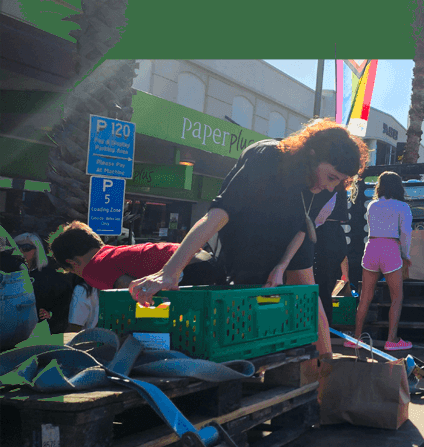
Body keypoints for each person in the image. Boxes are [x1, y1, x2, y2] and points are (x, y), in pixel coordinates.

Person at [128, 119, 369, 360]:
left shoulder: (326, 186)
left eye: (337, 181)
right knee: (245, 302)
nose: (329, 186)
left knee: (310, 298)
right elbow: (219, 213)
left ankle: (326, 373)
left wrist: (282, 266)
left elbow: (304, 228)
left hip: (292, 240)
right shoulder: (267, 157)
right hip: (247, 232)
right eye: (330, 177)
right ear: (312, 153)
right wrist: (170, 271)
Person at [49, 221, 224, 291]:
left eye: (72, 271)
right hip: (202, 258)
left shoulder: (93, 270)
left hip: (190, 270)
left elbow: (131, 291)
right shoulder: (112, 254)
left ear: (73, 262)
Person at [352, 171, 413, 351]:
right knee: (396, 297)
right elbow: (405, 233)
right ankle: (392, 340)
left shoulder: (372, 205)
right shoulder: (403, 207)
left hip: (371, 246)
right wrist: (406, 255)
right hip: (391, 248)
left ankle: (357, 339)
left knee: (365, 297)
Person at [13, 232, 72, 334]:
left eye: (26, 247)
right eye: (17, 247)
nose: (20, 250)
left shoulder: (50, 276)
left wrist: (50, 314)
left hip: (37, 330)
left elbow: (64, 304)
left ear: (37, 250)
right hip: (10, 327)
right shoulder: (7, 273)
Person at [313, 187, 351, 327]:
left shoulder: (321, 187)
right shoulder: (340, 189)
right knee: (327, 287)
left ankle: (322, 326)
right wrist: (345, 274)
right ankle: (326, 326)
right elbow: (343, 252)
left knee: (320, 286)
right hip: (332, 235)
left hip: (319, 233)